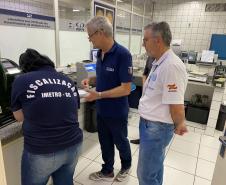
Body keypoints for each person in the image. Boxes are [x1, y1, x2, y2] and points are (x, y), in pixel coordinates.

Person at [11, 49, 83, 185]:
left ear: (24, 67)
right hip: (74, 145)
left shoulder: (21, 80)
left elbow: (19, 117)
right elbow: (73, 110)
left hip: (42, 151)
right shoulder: (67, 79)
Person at [82, 16, 132, 182]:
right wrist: (91, 80)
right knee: (104, 142)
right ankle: (107, 170)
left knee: (120, 141)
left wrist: (100, 95)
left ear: (101, 32)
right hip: (102, 109)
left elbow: (125, 89)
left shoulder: (123, 54)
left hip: (117, 111)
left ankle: (126, 166)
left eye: (90, 35)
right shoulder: (99, 53)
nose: (89, 39)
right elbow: (103, 76)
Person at [137, 22, 188, 185]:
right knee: (155, 169)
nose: (143, 44)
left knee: (145, 175)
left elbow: (176, 103)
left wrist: (180, 122)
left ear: (157, 40)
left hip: (156, 128)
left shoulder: (171, 66)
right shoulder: (159, 61)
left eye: (145, 40)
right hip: (151, 126)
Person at [130, 56, 154, 145]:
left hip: (155, 95)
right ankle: (142, 138)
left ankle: (148, 140)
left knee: (151, 119)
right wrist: (145, 87)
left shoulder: (165, 61)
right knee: (143, 116)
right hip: (147, 92)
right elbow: (145, 74)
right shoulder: (150, 58)